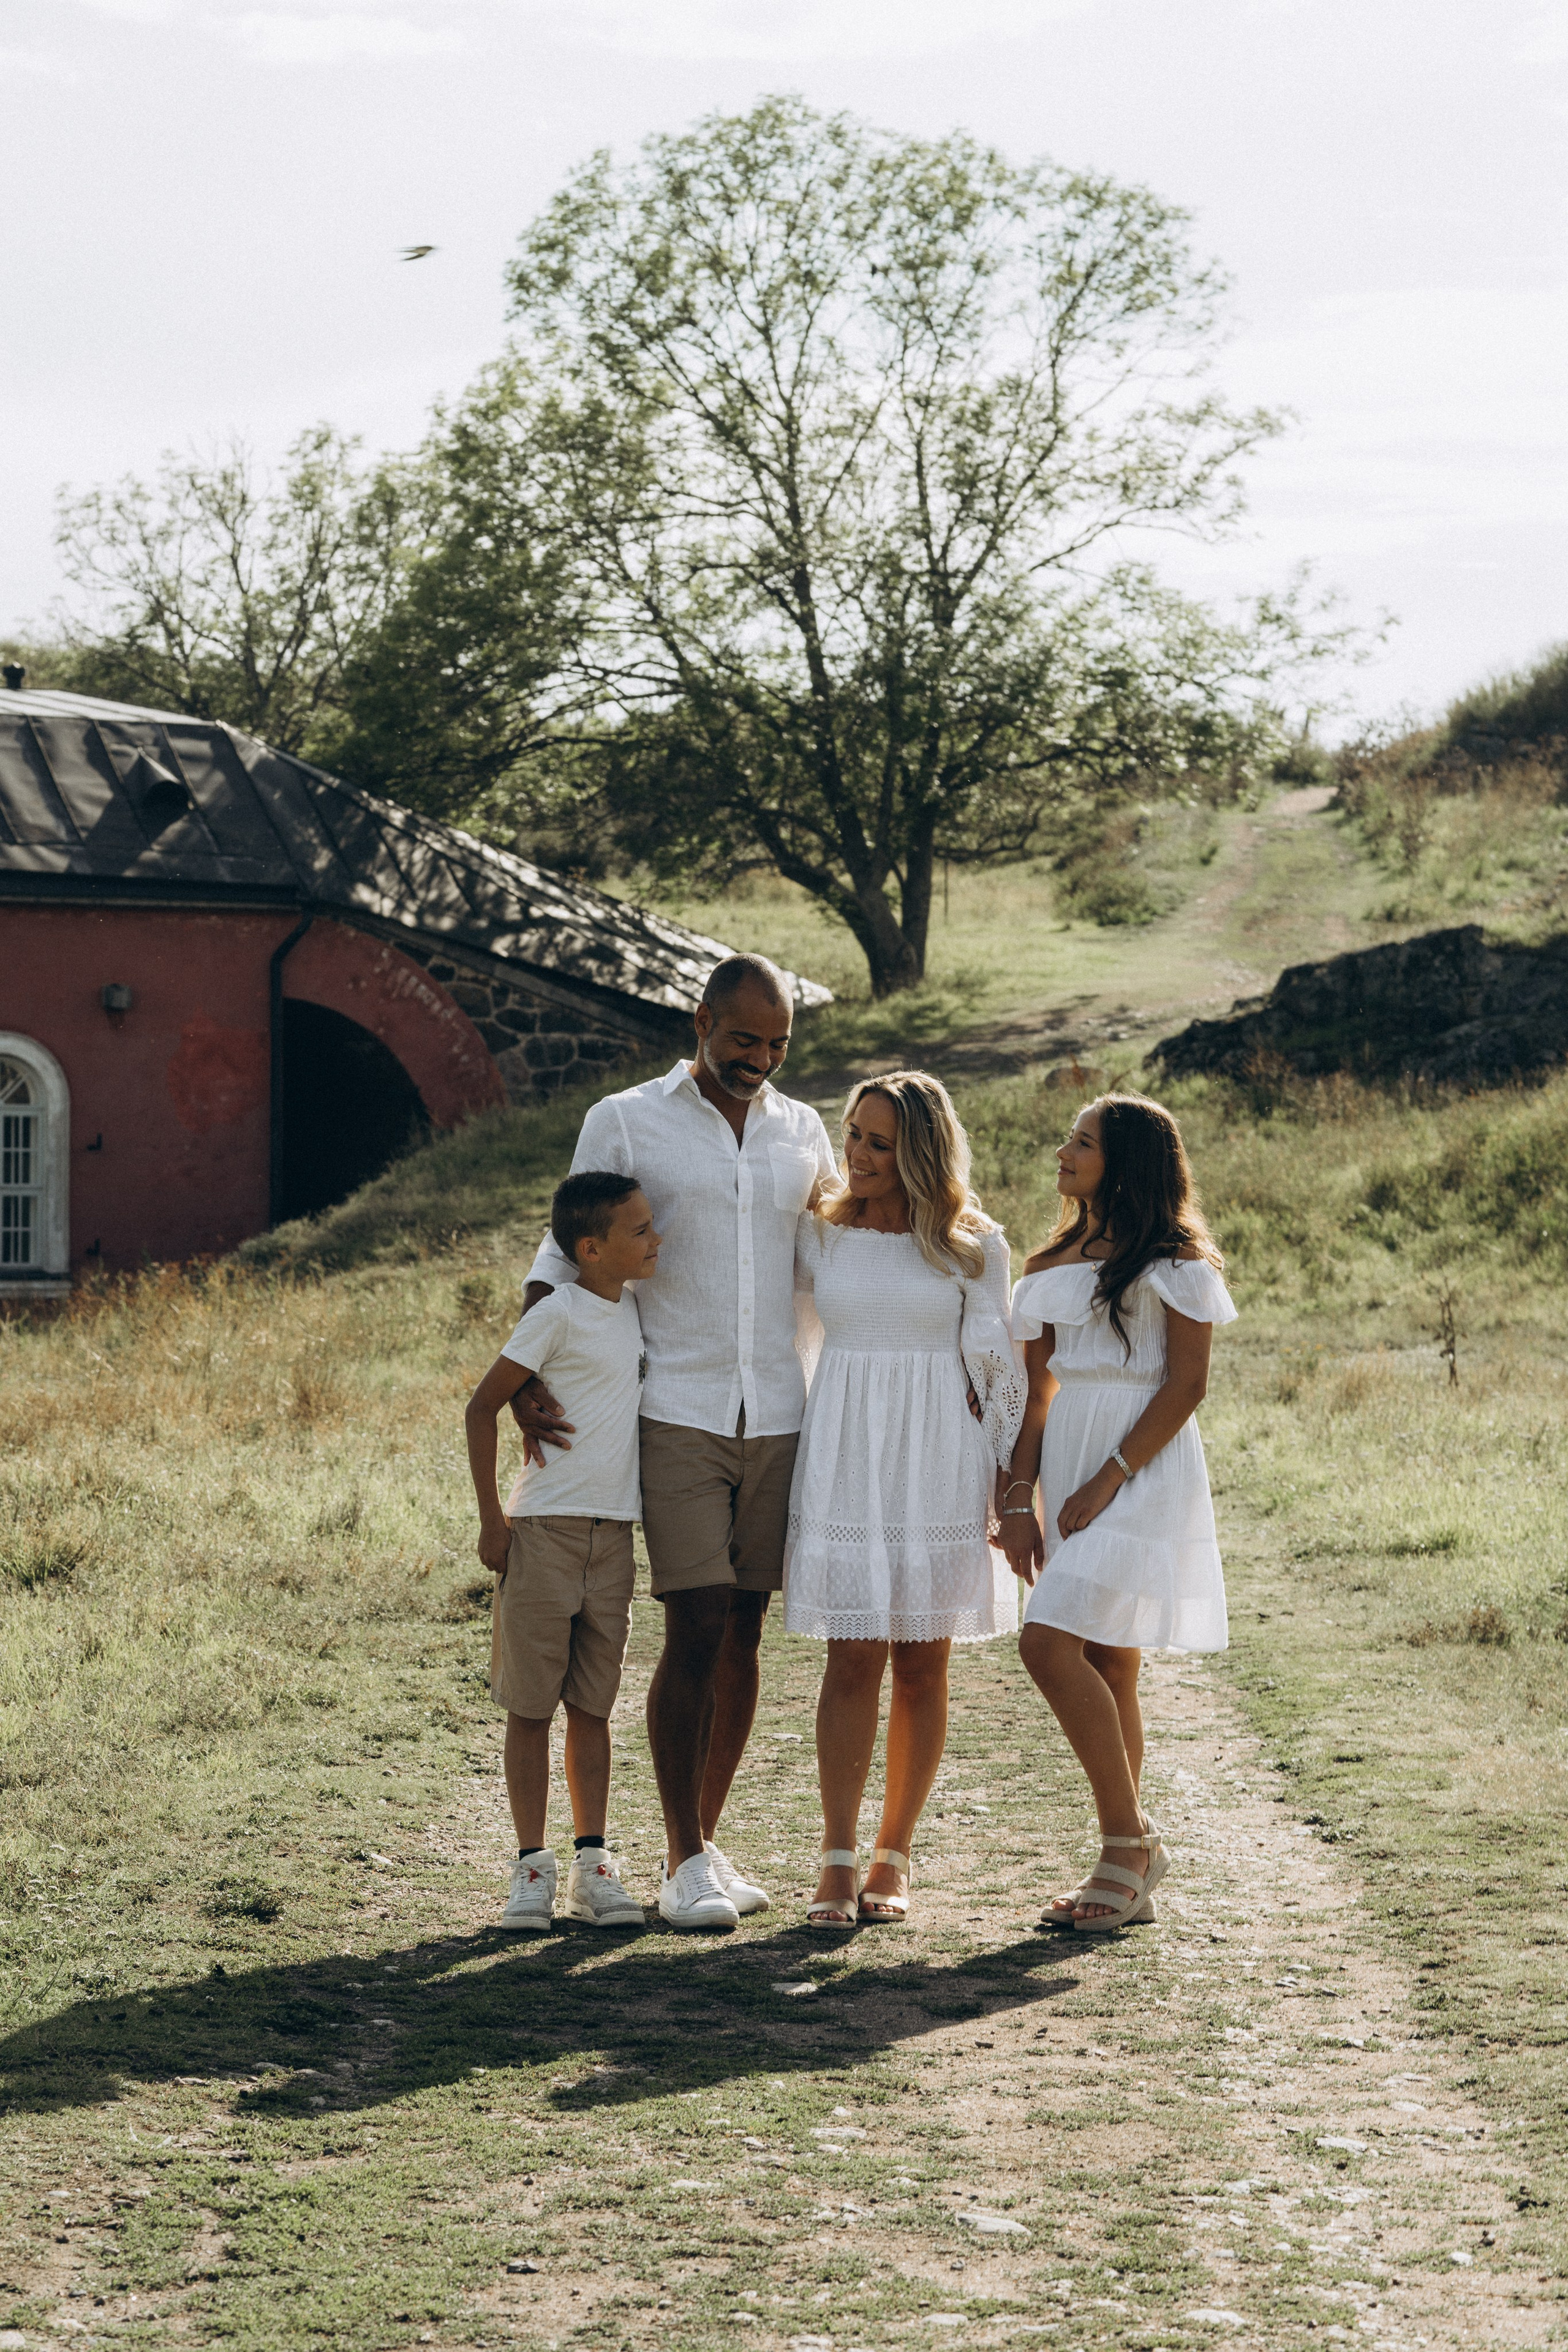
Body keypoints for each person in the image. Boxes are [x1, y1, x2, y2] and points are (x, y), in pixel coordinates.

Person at [513, 953, 837, 1931]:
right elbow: (561, 1254)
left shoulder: (803, 1129)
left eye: (778, 1045)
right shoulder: (625, 1118)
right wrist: (528, 1374)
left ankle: (691, 1849)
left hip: (780, 1409)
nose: (762, 1061)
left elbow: (839, 1246)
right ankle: (689, 1854)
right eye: (745, 1040)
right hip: (676, 1408)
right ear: (701, 1022)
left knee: (743, 1630)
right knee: (694, 1621)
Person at [784, 1072, 1025, 1928]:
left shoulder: (972, 1245)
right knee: (852, 1656)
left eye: (880, 1142)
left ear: (921, 1150)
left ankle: (895, 1853)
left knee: (923, 1663)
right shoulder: (821, 1233)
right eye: (853, 1134)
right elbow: (774, 1328)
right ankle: (836, 1856)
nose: (858, 1154)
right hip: (848, 1454)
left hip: (939, 1460)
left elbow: (999, 1368)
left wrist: (1011, 1479)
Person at [999, 1093, 1237, 1932]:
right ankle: (1123, 1863)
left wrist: (1109, 1476)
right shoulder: (1050, 1264)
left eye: (1083, 1142)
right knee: (1106, 1660)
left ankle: (1126, 1840)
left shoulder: (1175, 1262)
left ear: (1127, 1162)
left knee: (1047, 1643)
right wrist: (1014, 1500)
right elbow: (1033, 1396)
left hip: (1142, 1465)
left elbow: (1188, 1385)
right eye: (1067, 1137)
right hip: (1066, 1461)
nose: (1062, 1152)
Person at [464, 1170, 660, 1932]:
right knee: (530, 1707)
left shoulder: (636, 1312)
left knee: (593, 1706)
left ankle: (593, 1865)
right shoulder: (559, 1312)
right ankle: (529, 1870)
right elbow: (483, 1407)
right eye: (639, 1230)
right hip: (543, 1531)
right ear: (591, 1248)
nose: (655, 1240)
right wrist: (493, 1521)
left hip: (615, 1535)